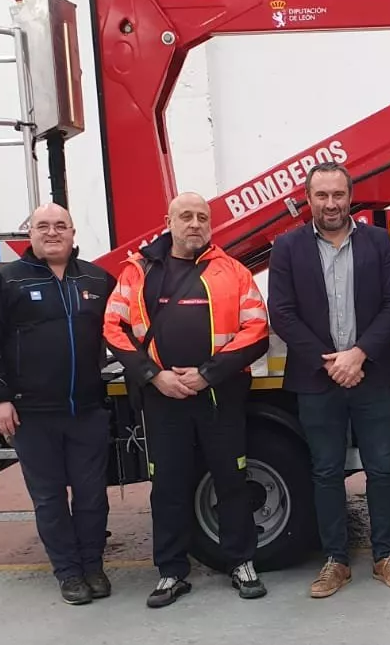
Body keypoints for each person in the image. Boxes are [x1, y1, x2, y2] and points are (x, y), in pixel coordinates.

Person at [103, 191, 271, 607]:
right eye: (185, 217)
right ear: (168, 221)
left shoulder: (232, 271)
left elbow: (256, 330)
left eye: (201, 217)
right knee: (168, 486)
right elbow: (112, 327)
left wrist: (207, 375)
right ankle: (171, 572)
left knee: (232, 479)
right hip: (162, 397)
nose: (194, 224)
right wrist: (152, 376)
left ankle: (242, 562)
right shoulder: (138, 272)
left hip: (220, 395)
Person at [266, 163, 390, 598]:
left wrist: (359, 353)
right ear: (308, 199)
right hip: (318, 378)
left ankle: (386, 555)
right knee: (326, 471)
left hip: (371, 373)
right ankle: (336, 561)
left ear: (351, 197)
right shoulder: (287, 247)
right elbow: (283, 313)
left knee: (381, 470)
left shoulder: (378, 242)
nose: (331, 204)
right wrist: (329, 361)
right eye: (321, 195)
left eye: (338, 195)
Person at [0, 202, 117, 606]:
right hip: (32, 415)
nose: (52, 233)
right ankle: (68, 573)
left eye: (61, 226)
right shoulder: (7, 282)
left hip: (86, 410)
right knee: (50, 499)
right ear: (30, 235)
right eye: (43, 226)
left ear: (73, 234)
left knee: (91, 497)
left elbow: (126, 326)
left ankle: (92, 566)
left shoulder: (98, 279)